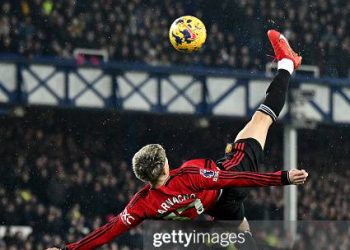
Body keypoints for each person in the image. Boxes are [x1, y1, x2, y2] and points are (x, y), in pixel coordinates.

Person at [47, 29, 307, 250]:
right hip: (228, 183)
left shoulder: (142, 204)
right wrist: (282, 177)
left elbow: (109, 230)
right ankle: (287, 63)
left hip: (215, 210)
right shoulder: (189, 176)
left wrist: (69, 249)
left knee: (242, 236)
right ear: (164, 166)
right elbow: (235, 179)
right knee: (261, 120)